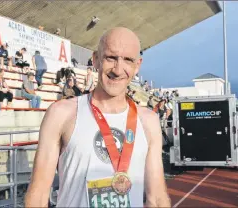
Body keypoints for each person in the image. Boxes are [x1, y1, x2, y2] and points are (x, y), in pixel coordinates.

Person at [25, 27, 170, 207]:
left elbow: (156, 199)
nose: (118, 70)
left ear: (137, 65)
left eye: (128, 60)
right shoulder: (61, 113)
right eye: (111, 57)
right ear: (95, 60)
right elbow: (38, 195)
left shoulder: (149, 121)